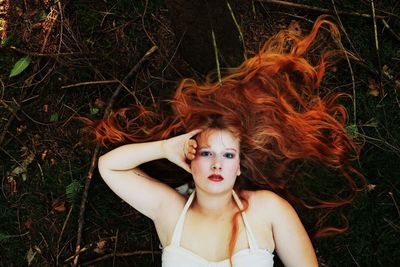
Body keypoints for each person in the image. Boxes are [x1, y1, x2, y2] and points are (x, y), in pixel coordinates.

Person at [90, 16, 364, 267]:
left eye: (229, 155)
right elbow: (109, 167)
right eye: (207, 153)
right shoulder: (170, 210)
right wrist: (165, 148)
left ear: (240, 167)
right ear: (190, 158)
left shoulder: (266, 209)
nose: (218, 164)